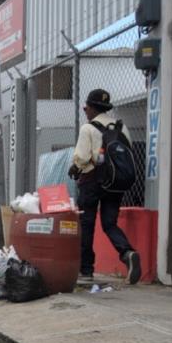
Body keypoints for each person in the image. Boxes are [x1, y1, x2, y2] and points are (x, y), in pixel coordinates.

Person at [68, 89, 140, 285]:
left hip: (92, 181)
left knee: (87, 224)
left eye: (86, 107)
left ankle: (86, 270)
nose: (85, 111)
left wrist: (75, 168)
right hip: (115, 183)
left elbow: (82, 158)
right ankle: (127, 252)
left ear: (91, 108)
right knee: (109, 224)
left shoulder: (88, 128)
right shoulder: (121, 128)